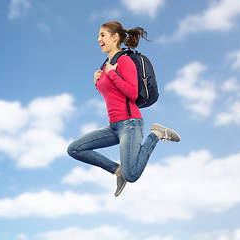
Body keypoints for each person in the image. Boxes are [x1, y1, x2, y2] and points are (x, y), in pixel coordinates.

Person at [67, 21, 181, 197]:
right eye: (98, 36)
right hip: (113, 127)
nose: (98, 39)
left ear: (115, 37)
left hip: (130, 123)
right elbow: (112, 95)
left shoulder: (124, 61)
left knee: (132, 175)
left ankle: (156, 134)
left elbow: (133, 93)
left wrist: (112, 74)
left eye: (102, 35)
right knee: (75, 149)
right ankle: (116, 170)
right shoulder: (105, 66)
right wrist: (97, 83)